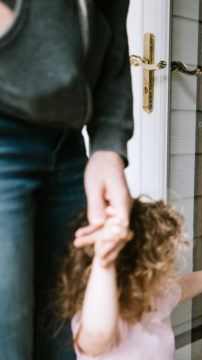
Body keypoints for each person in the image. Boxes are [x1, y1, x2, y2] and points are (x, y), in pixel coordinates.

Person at [0, 1, 133, 359]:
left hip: (69, 146)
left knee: (59, 343)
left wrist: (109, 141)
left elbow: (112, 17)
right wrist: (20, 39)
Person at [55, 198, 202, 360]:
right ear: (140, 271)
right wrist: (104, 261)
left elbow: (184, 285)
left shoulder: (154, 296)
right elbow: (99, 332)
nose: (170, 268)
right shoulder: (98, 321)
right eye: (164, 261)